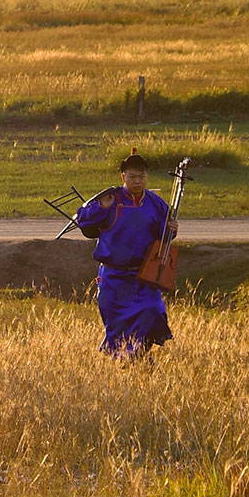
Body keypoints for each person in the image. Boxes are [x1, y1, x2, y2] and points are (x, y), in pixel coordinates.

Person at [74, 149, 175, 357]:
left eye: (142, 177)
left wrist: (172, 230)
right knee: (117, 326)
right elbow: (82, 219)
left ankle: (139, 357)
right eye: (132, 177)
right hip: (114, 277)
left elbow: (165, 235)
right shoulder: (110, 198)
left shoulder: (156, 204)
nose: (137, 181)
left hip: (144, 277)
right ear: (123, 177)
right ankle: (127, 363)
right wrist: (101, 207)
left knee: (153, 312)